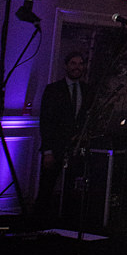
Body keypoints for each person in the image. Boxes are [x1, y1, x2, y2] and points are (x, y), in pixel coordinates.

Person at [35, 50, 90, 217]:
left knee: (73, 188)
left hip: (76, 149)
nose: (77, 67)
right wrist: (48, 151)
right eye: (73, 64)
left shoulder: (87, 90)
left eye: (80, 64)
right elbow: (46, 121)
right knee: (47, 187)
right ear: (66, 66)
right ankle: (38, 222)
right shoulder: (53, 90)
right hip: (56, 147)